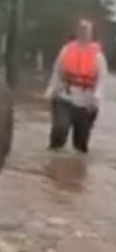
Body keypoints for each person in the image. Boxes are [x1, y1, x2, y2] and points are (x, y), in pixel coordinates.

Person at [45, 17, 107, 153]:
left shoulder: (98, 57)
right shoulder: (66, 50)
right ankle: (52, 161)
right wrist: (50, 91)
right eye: (81, 29)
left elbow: (101, 81)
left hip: (86, 102)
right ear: (77, 31)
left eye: (86, 30)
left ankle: (77, 168)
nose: (84, 33)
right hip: (65, 98)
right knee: (60, 129)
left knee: (80, 145)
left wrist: (96, 100)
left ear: (91, 33)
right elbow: (57, 72)